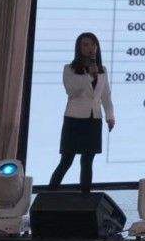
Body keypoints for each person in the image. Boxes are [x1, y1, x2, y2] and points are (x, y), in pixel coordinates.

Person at [48, 32, 115, 192]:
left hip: (94, 119)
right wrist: (89, 76)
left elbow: (106, 95)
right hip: (74, 119)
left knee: (87, 161)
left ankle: (85, 197)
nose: (90, 48)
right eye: (85, 44)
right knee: (66, 160)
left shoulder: (102, 70)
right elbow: (71, 91)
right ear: (79, 48)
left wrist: (110, 116)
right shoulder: (69, 69)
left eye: (93, 44)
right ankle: (49, 194)